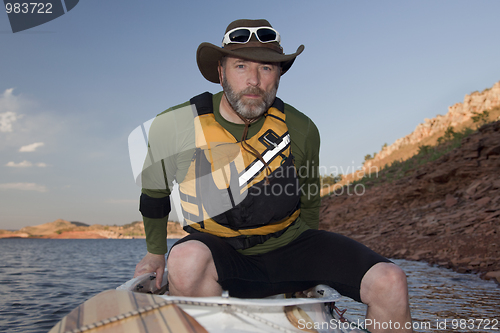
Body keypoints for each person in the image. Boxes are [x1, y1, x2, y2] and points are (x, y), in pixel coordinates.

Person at [134, 19, 412, 332]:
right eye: (241, 66)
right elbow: (155, 193)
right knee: (184, 258)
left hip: (289, 246)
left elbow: (308, 202)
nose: (254, 80)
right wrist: (155, 254)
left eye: (266, 68)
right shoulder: (173, 125)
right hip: (220, 251)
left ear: (279, 74)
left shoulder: (302, 128)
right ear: (220, 71)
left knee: (391, 281)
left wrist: (310, 270)